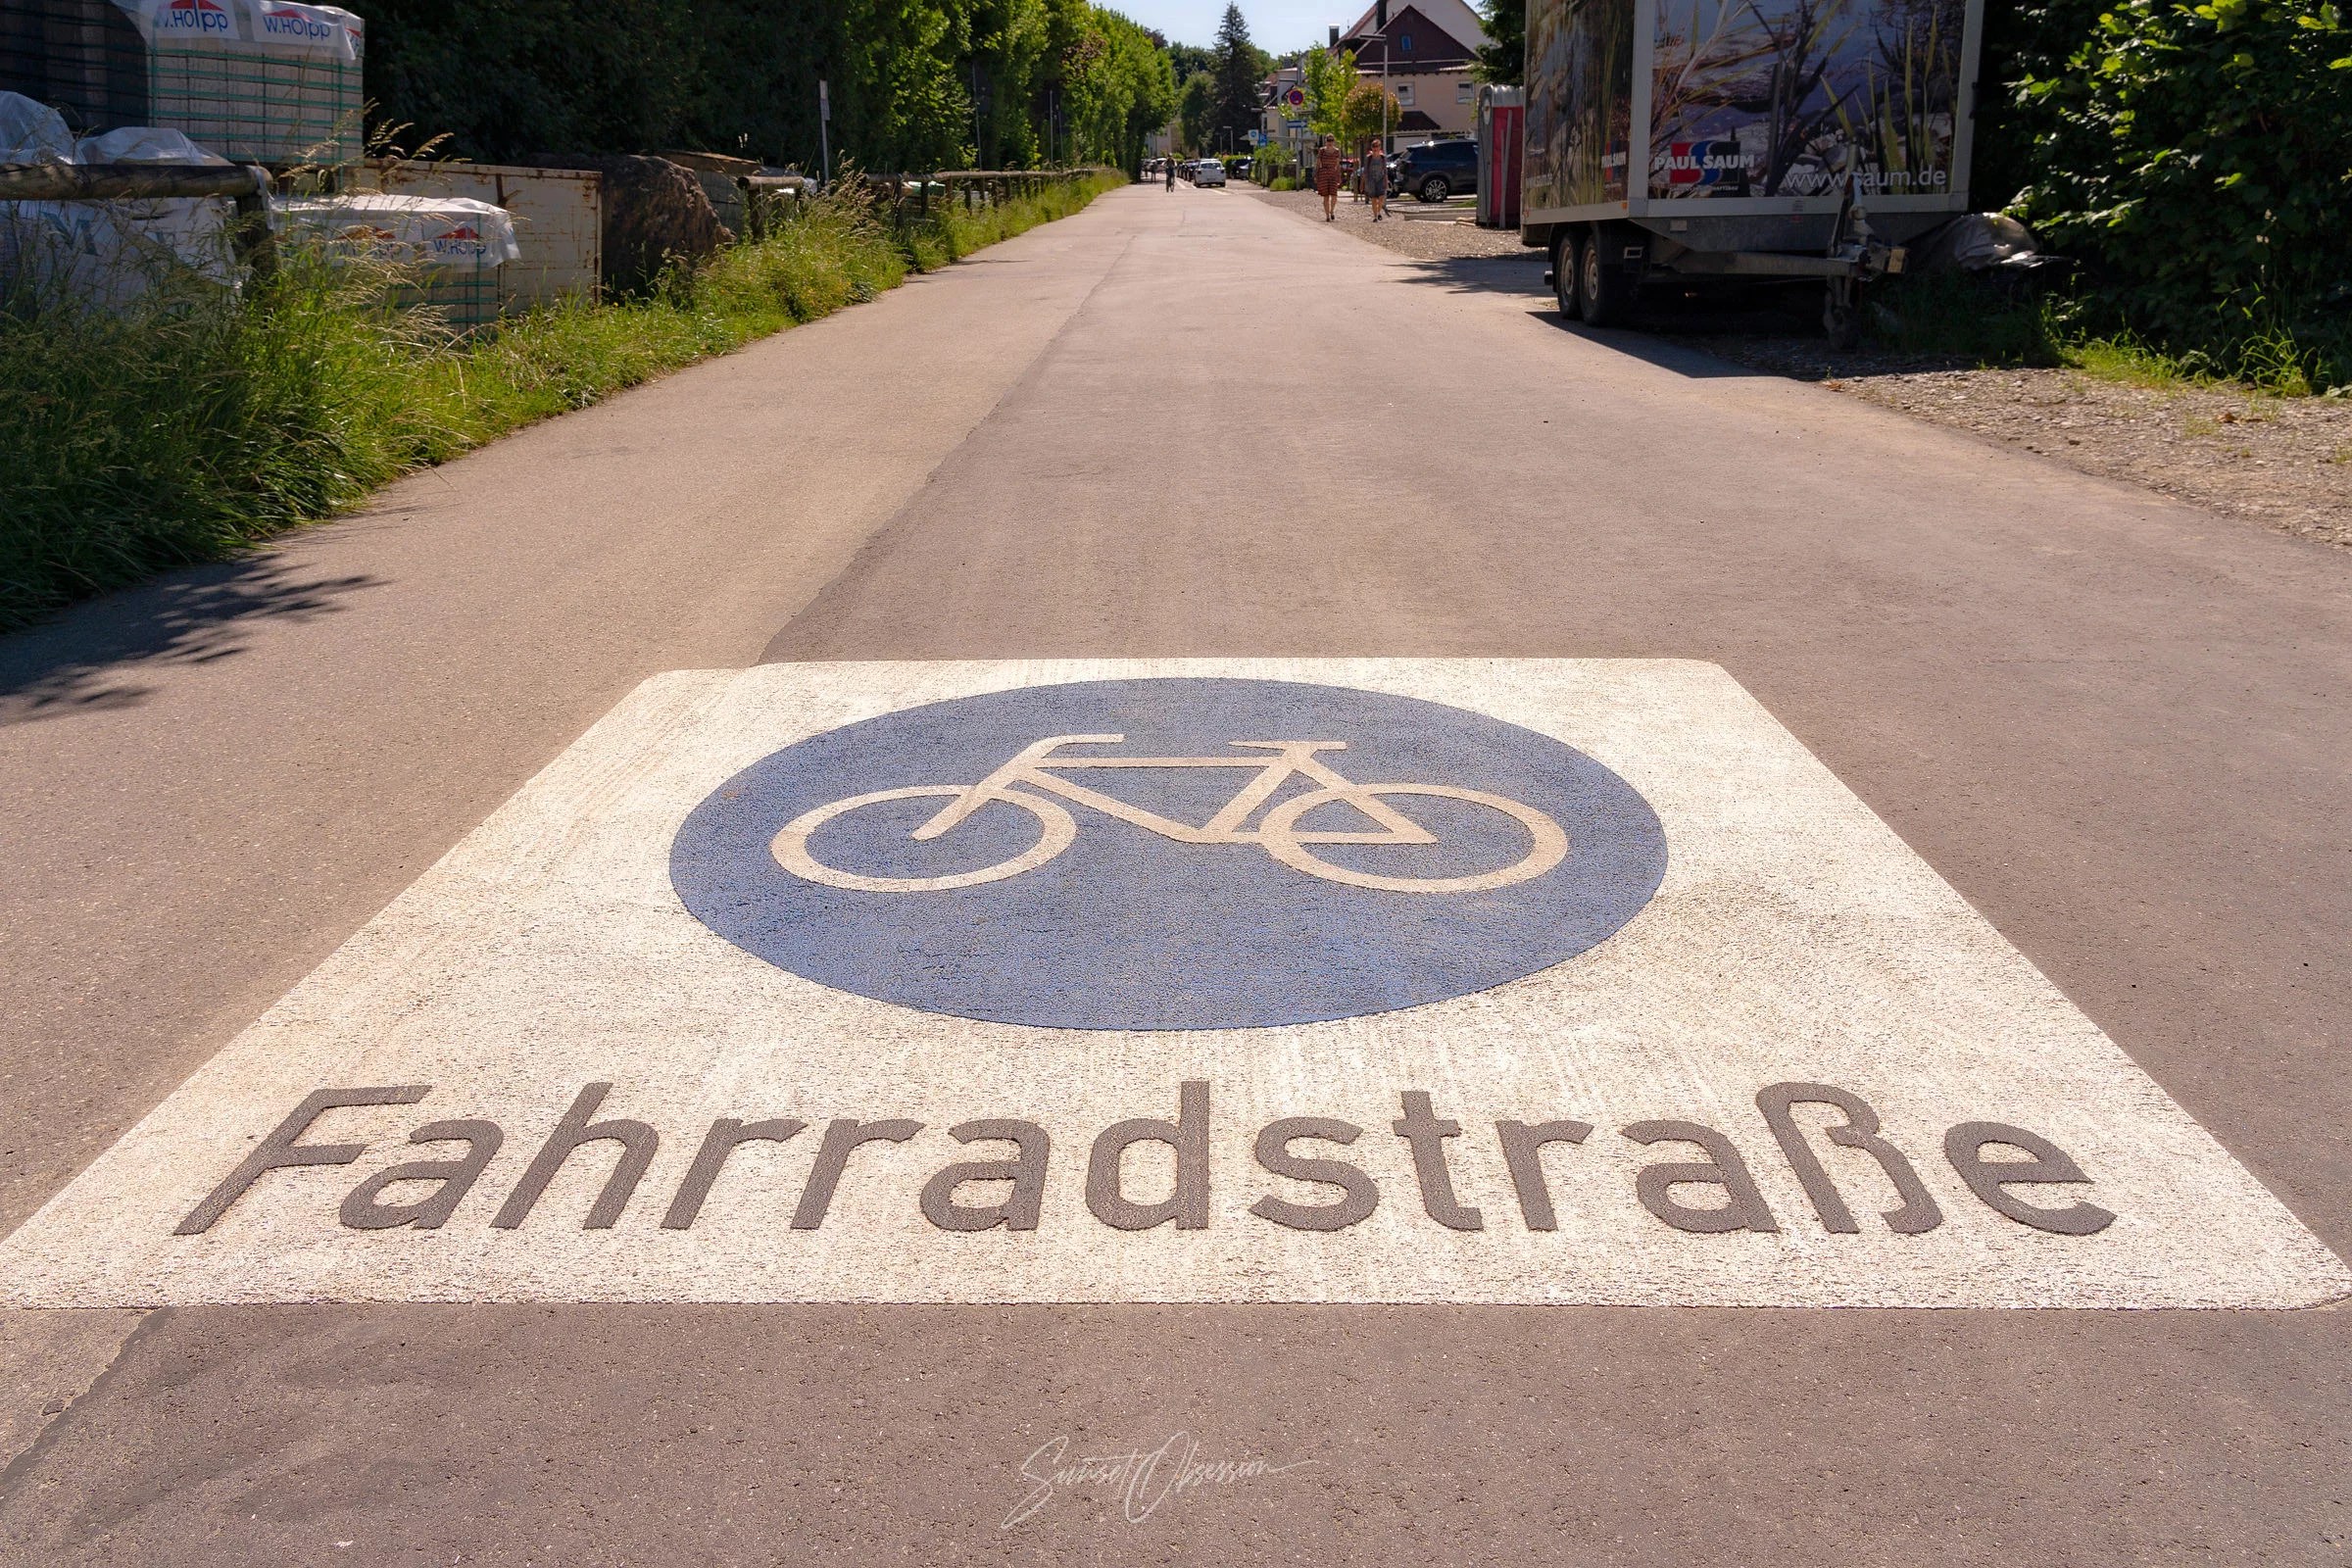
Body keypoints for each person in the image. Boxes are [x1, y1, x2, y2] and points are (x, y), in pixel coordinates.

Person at [1313, 135, 1341, 221]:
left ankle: (1332, 211)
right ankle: (1327, 216)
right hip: (1323, 174)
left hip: (1333, 174)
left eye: (1331, 140)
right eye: (1328, 140)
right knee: (1326, 196)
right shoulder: (1322, 151)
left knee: (1334, 196)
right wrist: (1316, 175)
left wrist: (1339, 176)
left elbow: (1337, 164)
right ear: (1326, 141)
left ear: (1334, 141)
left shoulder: (1337, 151)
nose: (1330, 142)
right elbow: (1318, 163)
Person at [1363, 144, 1389, 221]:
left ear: (1379, 148)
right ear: (1372, 148)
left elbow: (1385, 171)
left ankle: (1378, 212)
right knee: (1374, 199)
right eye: (1374, 146)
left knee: (1381, 198)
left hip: (1380, 179)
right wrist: (1362, 183)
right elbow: (1365, 171)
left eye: (1377, 146)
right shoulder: (1369, 158)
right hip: (1371, 180)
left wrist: (1386, 181)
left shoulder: (1383, 158)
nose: (1375, 148)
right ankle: (1375, 216)